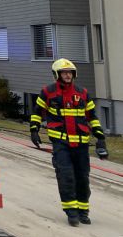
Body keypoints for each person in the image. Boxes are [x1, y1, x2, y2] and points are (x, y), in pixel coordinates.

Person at [30, 58, 108, 226]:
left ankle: (83, 211)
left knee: (83, 179)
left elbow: (92, 117)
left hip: (81, 145)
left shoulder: (83, 93)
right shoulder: (48, 92)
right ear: (57, 74)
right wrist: (34, 130)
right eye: (64, 73)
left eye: (70, 72)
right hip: (61, 144)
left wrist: (100, 137)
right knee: (66, 177)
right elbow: (37, 112)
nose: (67, 75)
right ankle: (71, 212)